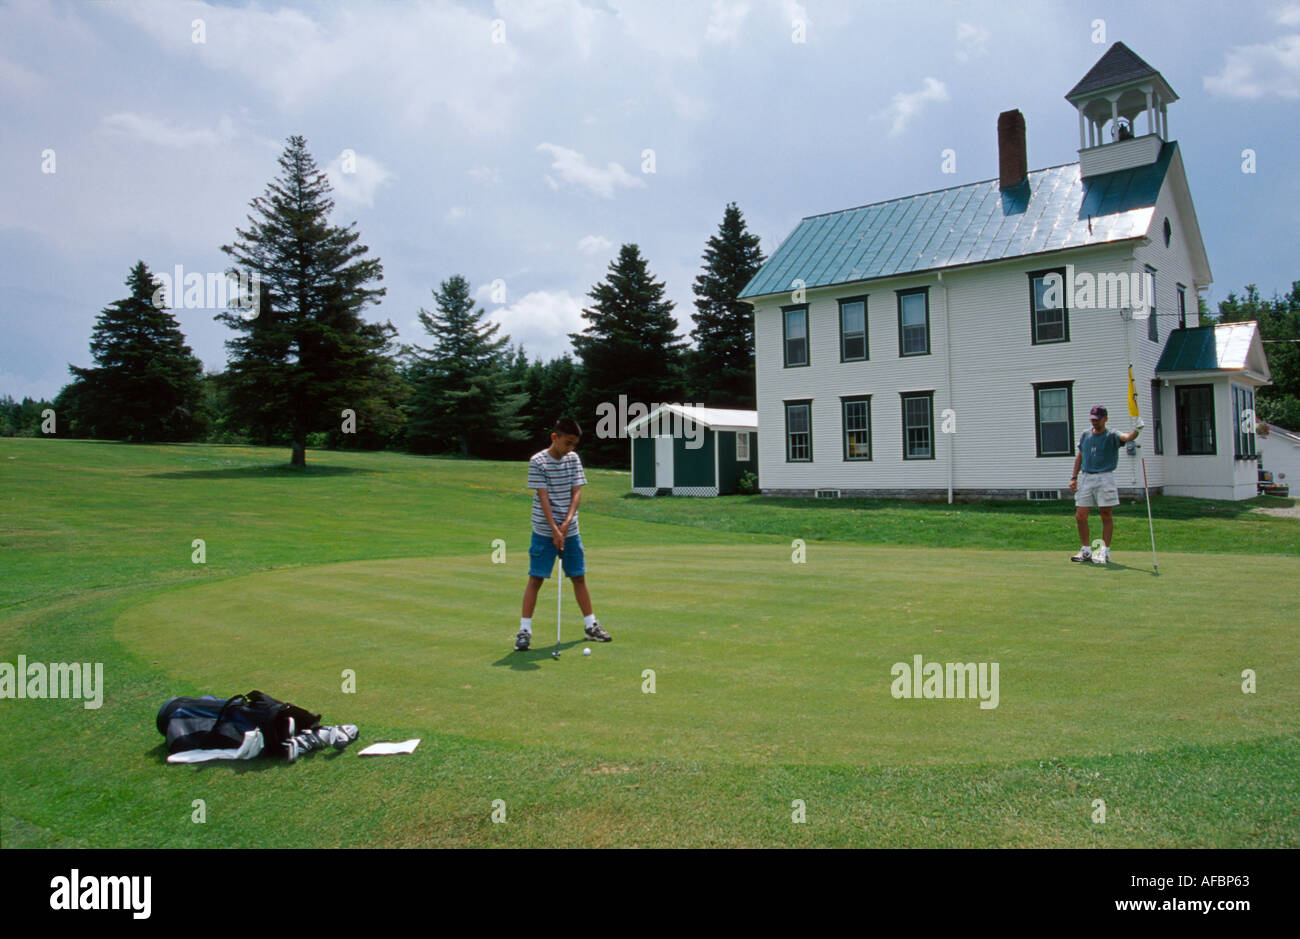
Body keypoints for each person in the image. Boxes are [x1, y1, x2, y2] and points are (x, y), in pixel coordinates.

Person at [515, 418, 612, 651]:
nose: (570, 449)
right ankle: (524, 631)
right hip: (543, 530)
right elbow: (543, 497)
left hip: (570, 530)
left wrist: (566, 524)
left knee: (578, 576)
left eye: (574, 445)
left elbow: (576, 492)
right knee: (536, 578)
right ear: (554, 437)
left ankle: (591, 626)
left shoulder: (573, 459)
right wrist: (554, 529)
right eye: (567, 443)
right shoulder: (538, 461)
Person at [1069, 404, 1143, 564]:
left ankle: (1104, 551)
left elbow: (1127, 437)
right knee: (1080, 515)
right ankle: (1086, 550)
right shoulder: (1085, 435)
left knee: (1106, 514)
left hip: (1105, 477)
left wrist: (1137, 429)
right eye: (1092, 419)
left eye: (1098, 419)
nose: (1095, 423)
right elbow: (1080, 456)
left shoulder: (1112, 434)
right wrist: (1074, 477)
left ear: (1105, 419)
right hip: (1086, 477)